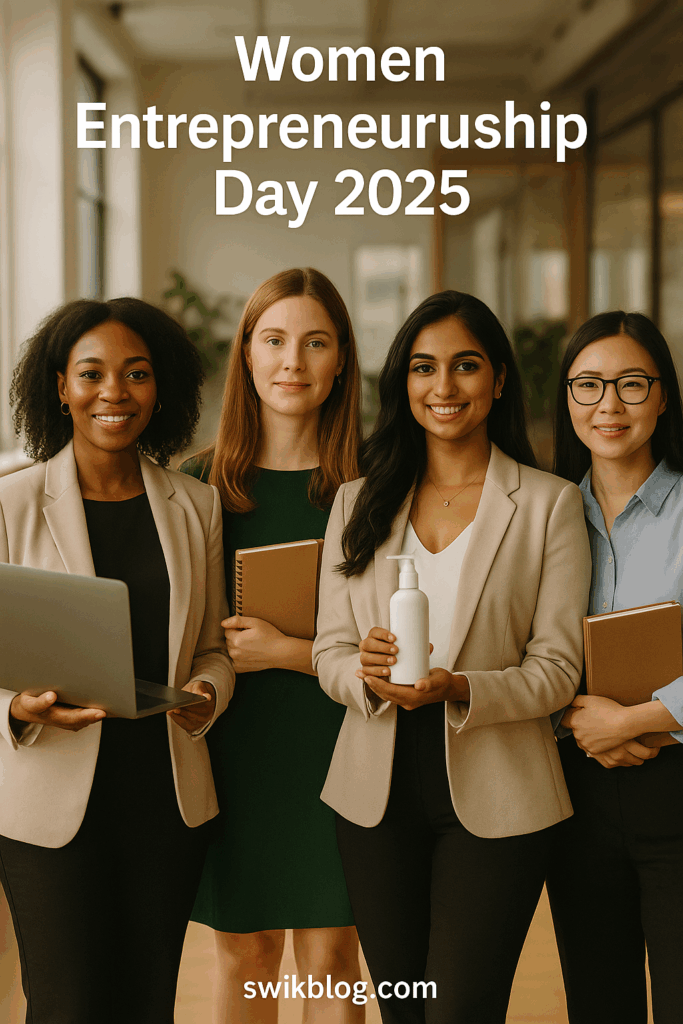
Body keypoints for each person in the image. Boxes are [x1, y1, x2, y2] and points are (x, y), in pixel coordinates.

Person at [312, 289, 592, 1024]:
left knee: (461, 1009)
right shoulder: (356, 502)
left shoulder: (549, 504)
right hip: (373, 797)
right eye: (422, 367)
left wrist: (458, 686)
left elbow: (558, 668)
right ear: (401, 383)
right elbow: (328, 650)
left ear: (498, 379)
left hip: (498, 794)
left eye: (464, 366)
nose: (442, 388)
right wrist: (362, 674)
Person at [0, 298, 233, 1024]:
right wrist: (15, 706)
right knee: (67, 1004)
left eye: (136, 374)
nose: (114, 392)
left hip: (163, 800)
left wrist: (205, 690)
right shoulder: (11, 504)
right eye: (92, 374)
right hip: (49, 803)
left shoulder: (196, 506)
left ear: (160, 389)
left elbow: (214, 648)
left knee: (144, 1003)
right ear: (60, 388)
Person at [182, 268, 364, 1024]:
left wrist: (288, 650)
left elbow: (412, 630)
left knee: (329, 957)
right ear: (247, 357)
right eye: (275, 340)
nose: (293, 361)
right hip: (234, 747)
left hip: (346, 745)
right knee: (247, 955)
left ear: (341, 361)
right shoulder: (194, 486)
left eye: (315, 342)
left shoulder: (378, 481)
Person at [547, 311, 683, 1024]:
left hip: (677, 785)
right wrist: (577, 717)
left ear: (662, 396)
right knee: (598, 1003)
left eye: (631, 384)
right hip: (578, 797)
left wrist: (633, 718)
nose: (608, 405)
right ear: (565, 399)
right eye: (588, 385)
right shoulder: (543, 516)